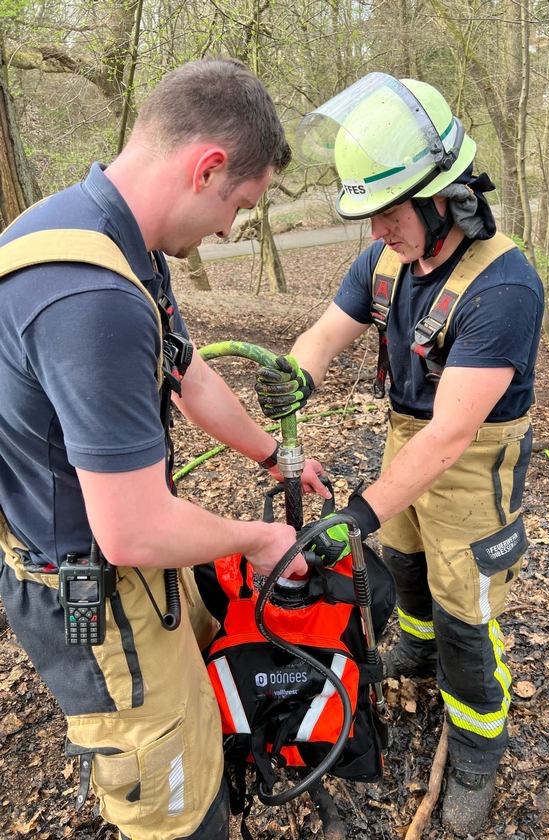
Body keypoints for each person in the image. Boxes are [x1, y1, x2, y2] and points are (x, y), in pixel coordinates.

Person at [0, 57, 330, 840]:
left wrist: (273, 458)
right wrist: (258, 538)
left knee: (198, 702)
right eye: (238, 205)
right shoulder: (92, 298)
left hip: (125, 561)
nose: (229, 229)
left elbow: (185, 369)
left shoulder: (107, 235)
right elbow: (134, 528)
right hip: (93, 590)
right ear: (208, 167)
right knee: (173, 800)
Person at [255, 72, 544, 837]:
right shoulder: (386, 262)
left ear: (444, 198)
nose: (377, 230)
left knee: (466, 618)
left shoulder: (505, 286)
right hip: (405, 444)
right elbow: (326, 331)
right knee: (408, 566)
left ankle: (478, 755)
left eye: (388, 213)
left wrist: (355, 510)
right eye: (371, 215)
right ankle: (413, 657)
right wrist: (296, 375)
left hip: (472, 460)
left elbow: (452, 434)